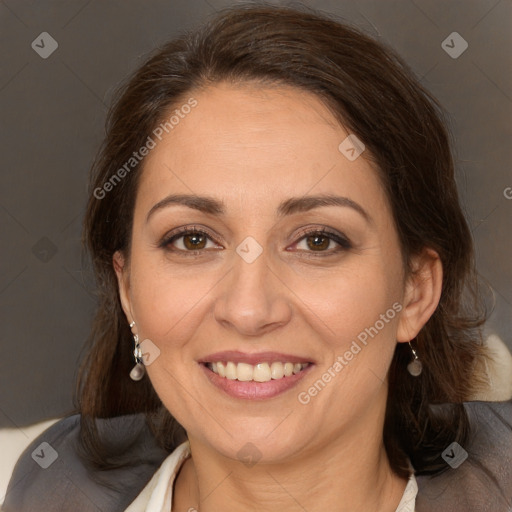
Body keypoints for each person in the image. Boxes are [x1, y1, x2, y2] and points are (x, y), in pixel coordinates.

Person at [4, 4, 511, 512]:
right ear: (129, 289)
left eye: (318, 241)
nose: (248, 310)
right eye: (193, 240)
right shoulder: (25, 480)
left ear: (414, 291)